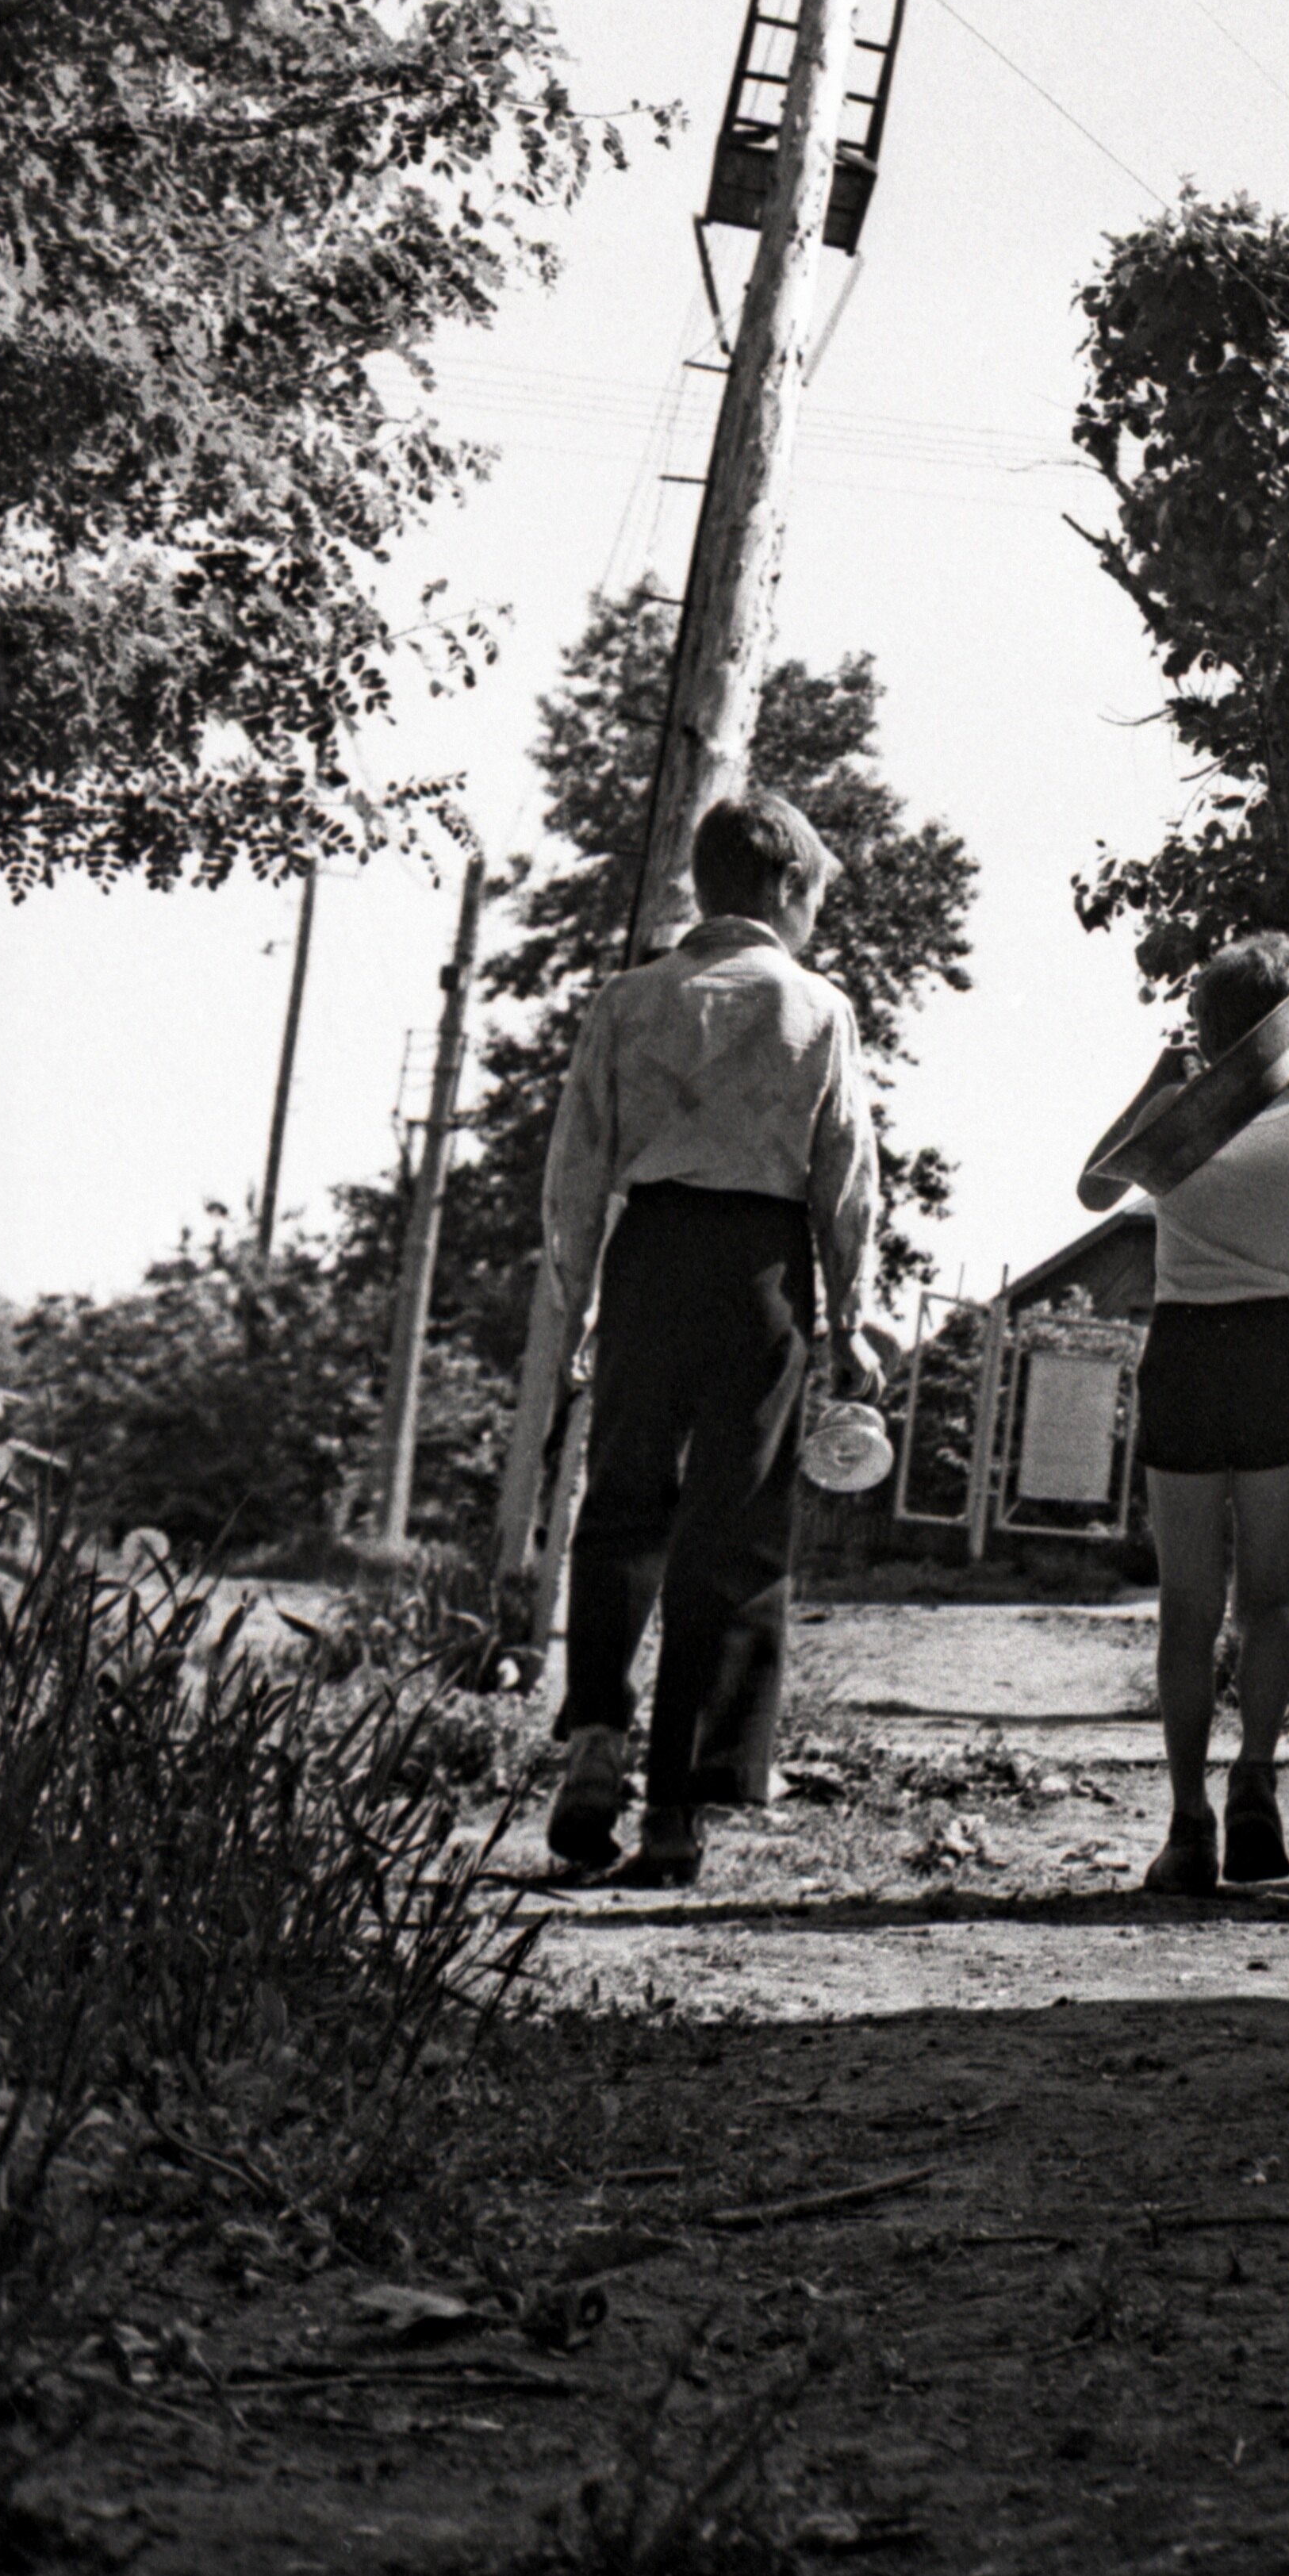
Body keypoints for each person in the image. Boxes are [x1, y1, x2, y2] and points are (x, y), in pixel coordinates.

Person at [539, 791, 878, 1883]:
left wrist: (578, 1302)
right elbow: (845, 1179)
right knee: (730, 1529)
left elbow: (577, 1164)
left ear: (701, 880)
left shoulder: (628, 999)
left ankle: (596, 1739)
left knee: (621, 1503)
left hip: (647, 1257)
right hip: (760, 1272)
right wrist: (851, 1317)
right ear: (789, 888)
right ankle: (678, 1807)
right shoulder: (816, 1006)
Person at [1076, 935, 1289, 1895]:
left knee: (1187, 1607)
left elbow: (1092, 1187)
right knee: (1269, 1600)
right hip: (1276, 1349)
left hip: (1186, 1352)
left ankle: (1187, 1820)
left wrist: (1154, 1090)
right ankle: (1255, 1787)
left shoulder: (1175, 1126)